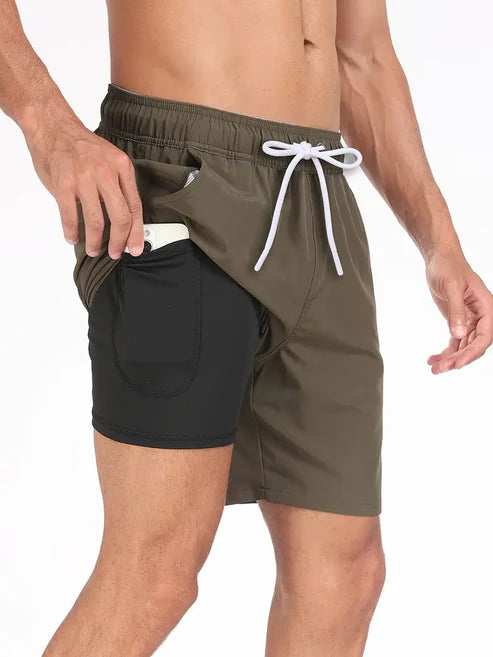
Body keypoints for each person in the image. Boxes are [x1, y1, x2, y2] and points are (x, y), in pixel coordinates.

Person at [1, 1, 492, 656]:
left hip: (317, 198)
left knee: (345, 574)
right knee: (155, 574)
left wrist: (439, 242)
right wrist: (50, 128)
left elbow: (362, 55)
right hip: (179, 181)